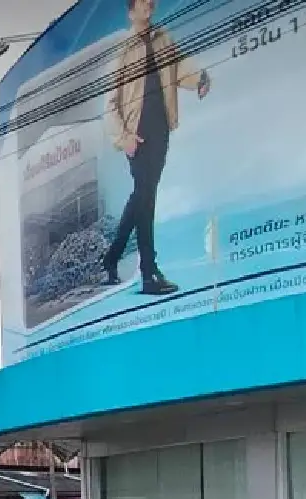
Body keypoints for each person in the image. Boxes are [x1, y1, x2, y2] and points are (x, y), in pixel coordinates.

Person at [103, 0, 210, 297]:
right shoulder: (121, 50)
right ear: (131, 10)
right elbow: (109, 103)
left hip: (160, 127)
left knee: (142, 195)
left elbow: (179, 69)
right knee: (146, 198)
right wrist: (122, 137)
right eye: (143, 1)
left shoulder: (163, 38)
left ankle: (111, 258)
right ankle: (148, 272)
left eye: (152, 1)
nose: (150, 4)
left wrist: (199, 78)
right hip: (136, 134)